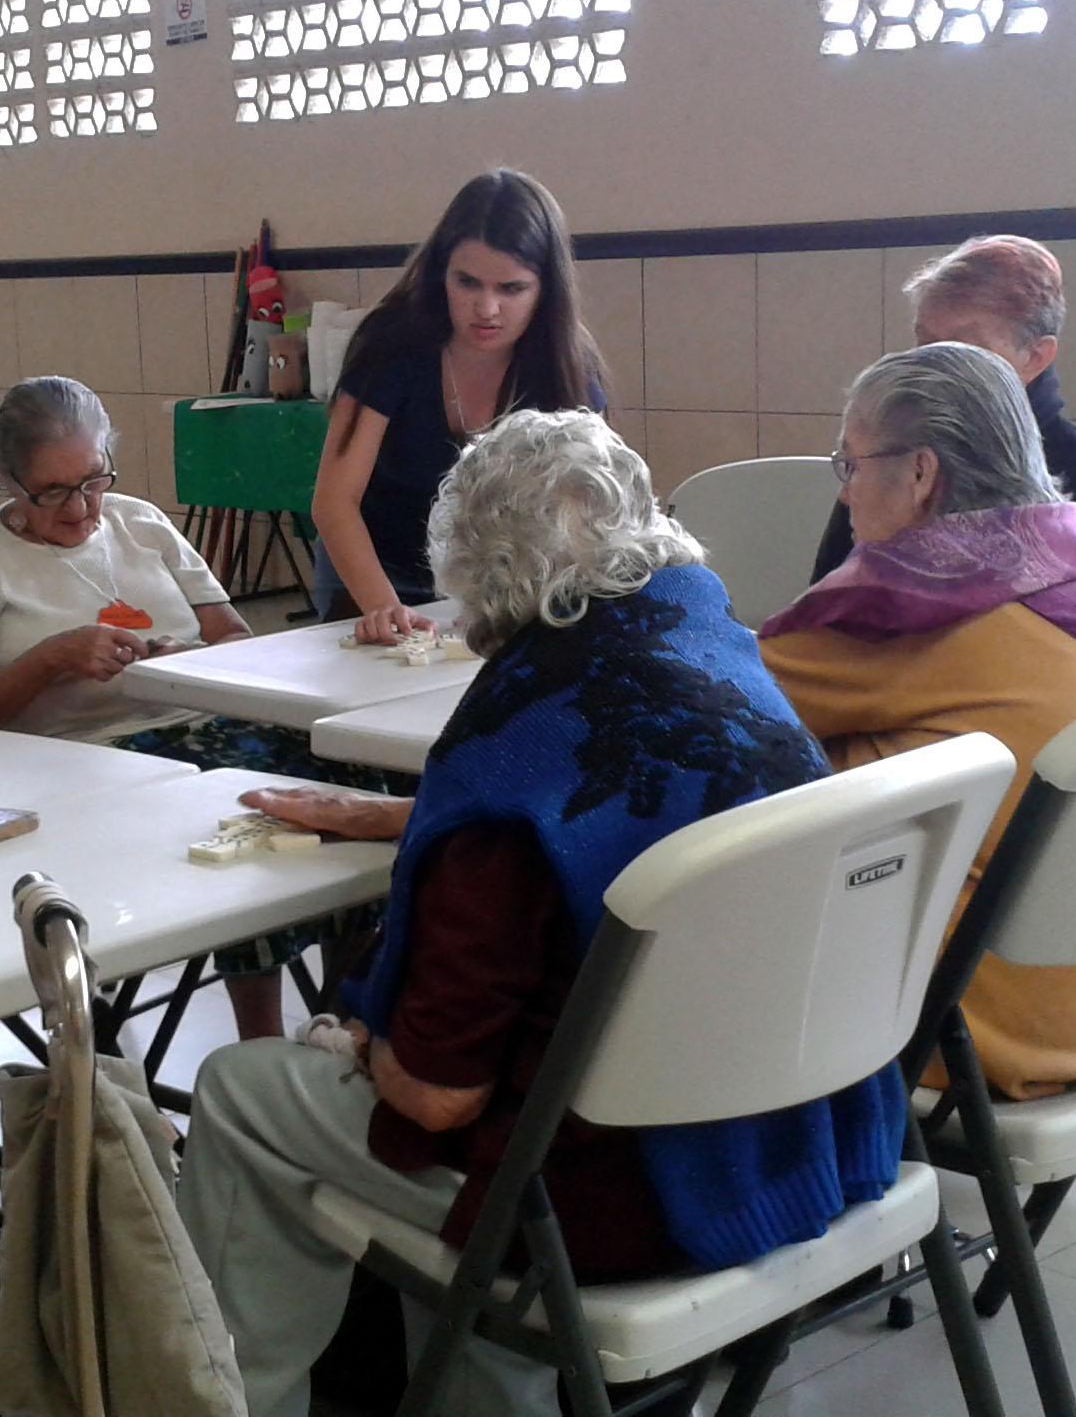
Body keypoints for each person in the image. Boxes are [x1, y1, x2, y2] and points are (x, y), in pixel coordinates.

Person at [181, 410, 905, 1417]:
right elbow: (625, 807)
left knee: (242, 1090)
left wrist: (353, 1042)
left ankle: (230, 1400)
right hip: (792, 1132)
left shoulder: (514, 752)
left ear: (476, 575)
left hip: (617, 1197)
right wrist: (413, 820)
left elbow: (436, 1096)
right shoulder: (727, 659)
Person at [763, 342, 1076, 1099]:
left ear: (921, 474)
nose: (846, 493)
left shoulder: (904, 610)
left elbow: (715, 703)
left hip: (980, 1019)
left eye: (850, 463)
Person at [0, 376, 387, 1039]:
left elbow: (234, 641)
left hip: (201, 727)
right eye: (53, 492)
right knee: (238, 821)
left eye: (94, 479)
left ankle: (351, 1014)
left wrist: (184, 660)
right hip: (80, 763)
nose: (82, 508)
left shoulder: (140, 523)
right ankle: (263, 1040)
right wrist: (52, 659)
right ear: (5, 479)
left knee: (357, 789)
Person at [310, 169, 607, 643]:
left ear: (545, 289)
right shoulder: (390, 343)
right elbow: (333, 501)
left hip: (500, 579)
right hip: (374, 569)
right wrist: (384, 606)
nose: (486, 308)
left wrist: (524, 600)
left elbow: (585, 507)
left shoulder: (566, 363)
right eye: (468, 283)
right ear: (440, 274)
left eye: (511, 289)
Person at [809, 235, 1076, 603]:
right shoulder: (885, 451)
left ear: (1035, 357)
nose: (935, 367)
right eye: (925, 345)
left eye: (967, 350)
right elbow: (825, 596)